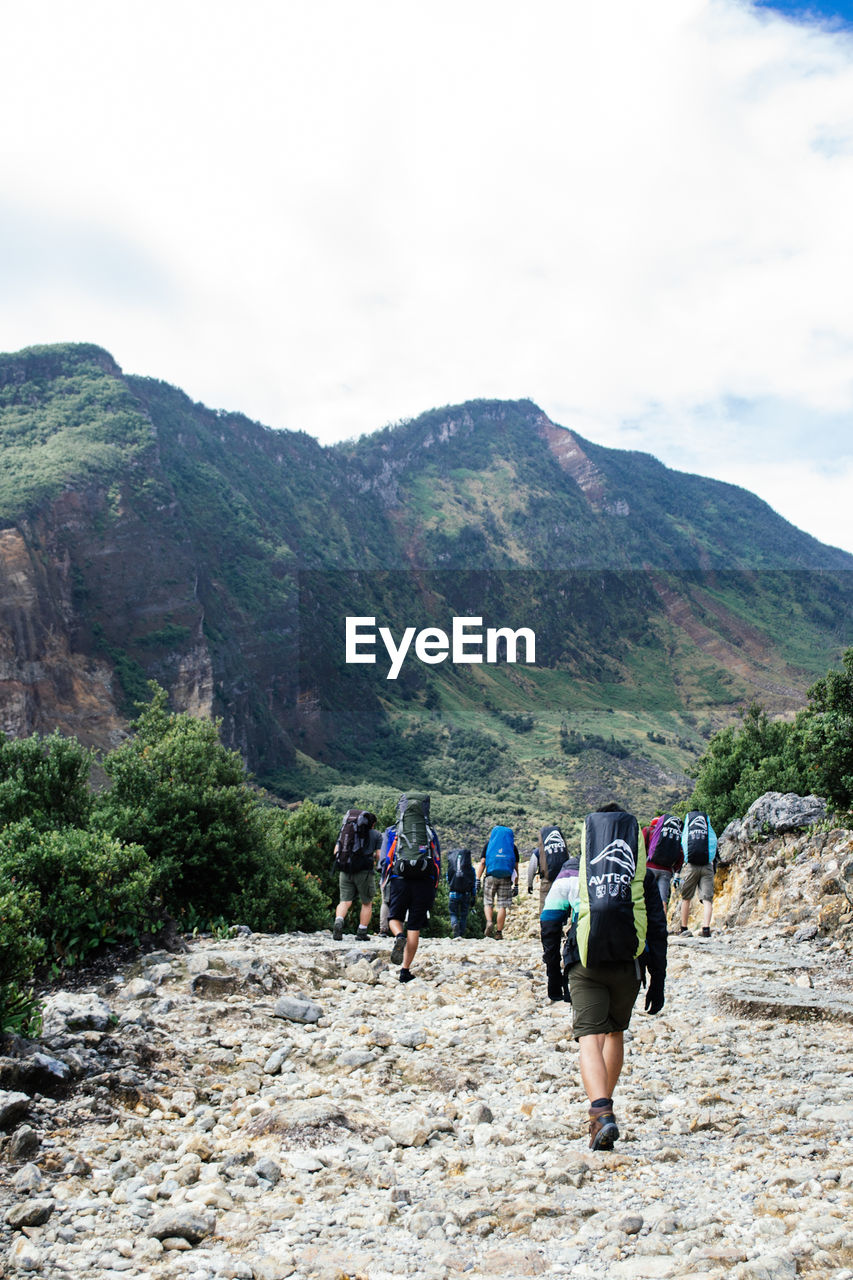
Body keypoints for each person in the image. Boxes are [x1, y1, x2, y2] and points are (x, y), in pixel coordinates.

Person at [561, 802, 667, 1150]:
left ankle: (600, 1113)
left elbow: (551, 919)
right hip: (628, 964)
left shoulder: (577, 871)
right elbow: (657, 929)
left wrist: (553, 969)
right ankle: (605, 1110)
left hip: (586, 963)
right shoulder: (644, 877)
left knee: (589, 1037)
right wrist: (658, 978)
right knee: (615, 1032)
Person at [387, 792, 440, 982]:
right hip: (424, 881)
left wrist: (386, 881)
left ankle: (398, 935)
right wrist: (433, 887)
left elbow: (386, 860)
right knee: (415, 926)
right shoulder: (429, 832)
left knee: (394, 917)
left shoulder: (393, 831)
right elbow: (437, 860)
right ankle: (405, 970)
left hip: (399, 878)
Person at [332, 810, 382, 942]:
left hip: (345, 869)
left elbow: (336, 851)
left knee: (345, 901)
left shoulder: (346, 832)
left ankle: (338, 921)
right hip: (364, 872)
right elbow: (379, 855)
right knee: (366, 902)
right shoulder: (376, 835)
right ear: (372, 824)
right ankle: (361, 932)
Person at [678, 810, 718, 937]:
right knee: (707, 899)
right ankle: (706, 928)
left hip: (691, 866)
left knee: (686, 898)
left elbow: (683, 841)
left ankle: (684, 929)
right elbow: (714, 841)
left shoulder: (689, 824)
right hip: (707, 865)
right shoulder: (707, 825)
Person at [476, 825, 518, 939]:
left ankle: (489, 921)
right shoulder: (512, 847)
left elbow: (483, 863)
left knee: (488, 902)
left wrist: (478, 879)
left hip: (490, 876)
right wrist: (516, 884)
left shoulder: (489, 844)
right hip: (506, 877)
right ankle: (498, 933)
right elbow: (515, 868)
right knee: (502, 905)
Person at [644, 813, 684, 910]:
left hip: (649, 868)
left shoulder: (648, 830)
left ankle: (644, 923)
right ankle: (662, 924)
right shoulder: (675, 834)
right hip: (666, 871)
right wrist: (675, 869)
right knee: (662, 900)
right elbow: (681, 855)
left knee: (645, 897)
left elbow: (640, 849)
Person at [528, 824, 570, 912]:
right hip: (562, 880)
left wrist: (530, 884)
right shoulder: (562, 849)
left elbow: (532, 868)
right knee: (560, 905)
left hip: (547, 881)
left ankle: (544, 923)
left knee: (544, 905)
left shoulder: (538, 851)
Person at [446, 847, 477, 937]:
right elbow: (473, 881)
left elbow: (448, 879)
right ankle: (461, 934)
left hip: (453, 893)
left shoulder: (451, 868)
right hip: (466, 894)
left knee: (453, 913)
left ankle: (455, 925)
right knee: (463, 915)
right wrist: (473, 896)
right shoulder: (470, 869)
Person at [377, 825, 396, 936]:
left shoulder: (388, 833)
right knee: (400, 902)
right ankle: (398, 931)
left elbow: (382, 859)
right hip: (403, 875)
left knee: (386, 901)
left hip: (388, 873)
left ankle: (384, 929)